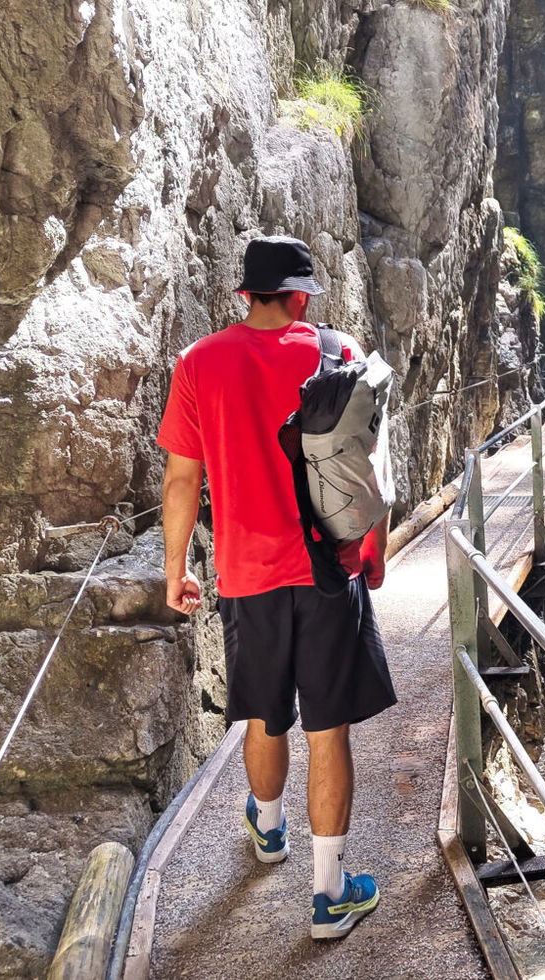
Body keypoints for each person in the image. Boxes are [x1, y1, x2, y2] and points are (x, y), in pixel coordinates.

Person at [157, 234, 397, 940]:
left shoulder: (198, 363)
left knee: (264, 716)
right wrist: (374, 548)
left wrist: (176, 570)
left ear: (245, 294)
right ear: (299, 296)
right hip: (327, 569)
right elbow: (369, 465)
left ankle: (267, 831)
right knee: (328, 731)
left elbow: (181, 479)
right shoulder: (339, 352)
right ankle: (329, 896)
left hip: (246, 575)